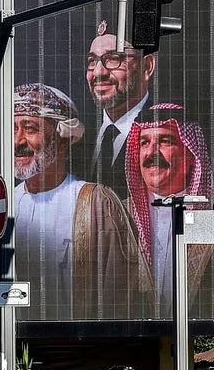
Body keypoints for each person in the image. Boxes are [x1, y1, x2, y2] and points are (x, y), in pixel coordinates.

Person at [11, 83, 145, 320]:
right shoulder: (3, 204)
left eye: (30, 128)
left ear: (63, 139)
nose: (17, 141)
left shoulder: (96, 204)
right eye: (13, 129)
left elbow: (117, 300)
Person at [124, 103, 214, 318]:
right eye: (144, 142)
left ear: (191, 153)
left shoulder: (206, 214)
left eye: (165, 141)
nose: (151, 152)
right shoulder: (118, 214)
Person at [73, 20, 157, 198]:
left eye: (113, 59)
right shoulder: (79, 136)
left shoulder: (168, 130)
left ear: (146, 67)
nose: (98, 73)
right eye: (92, 61)